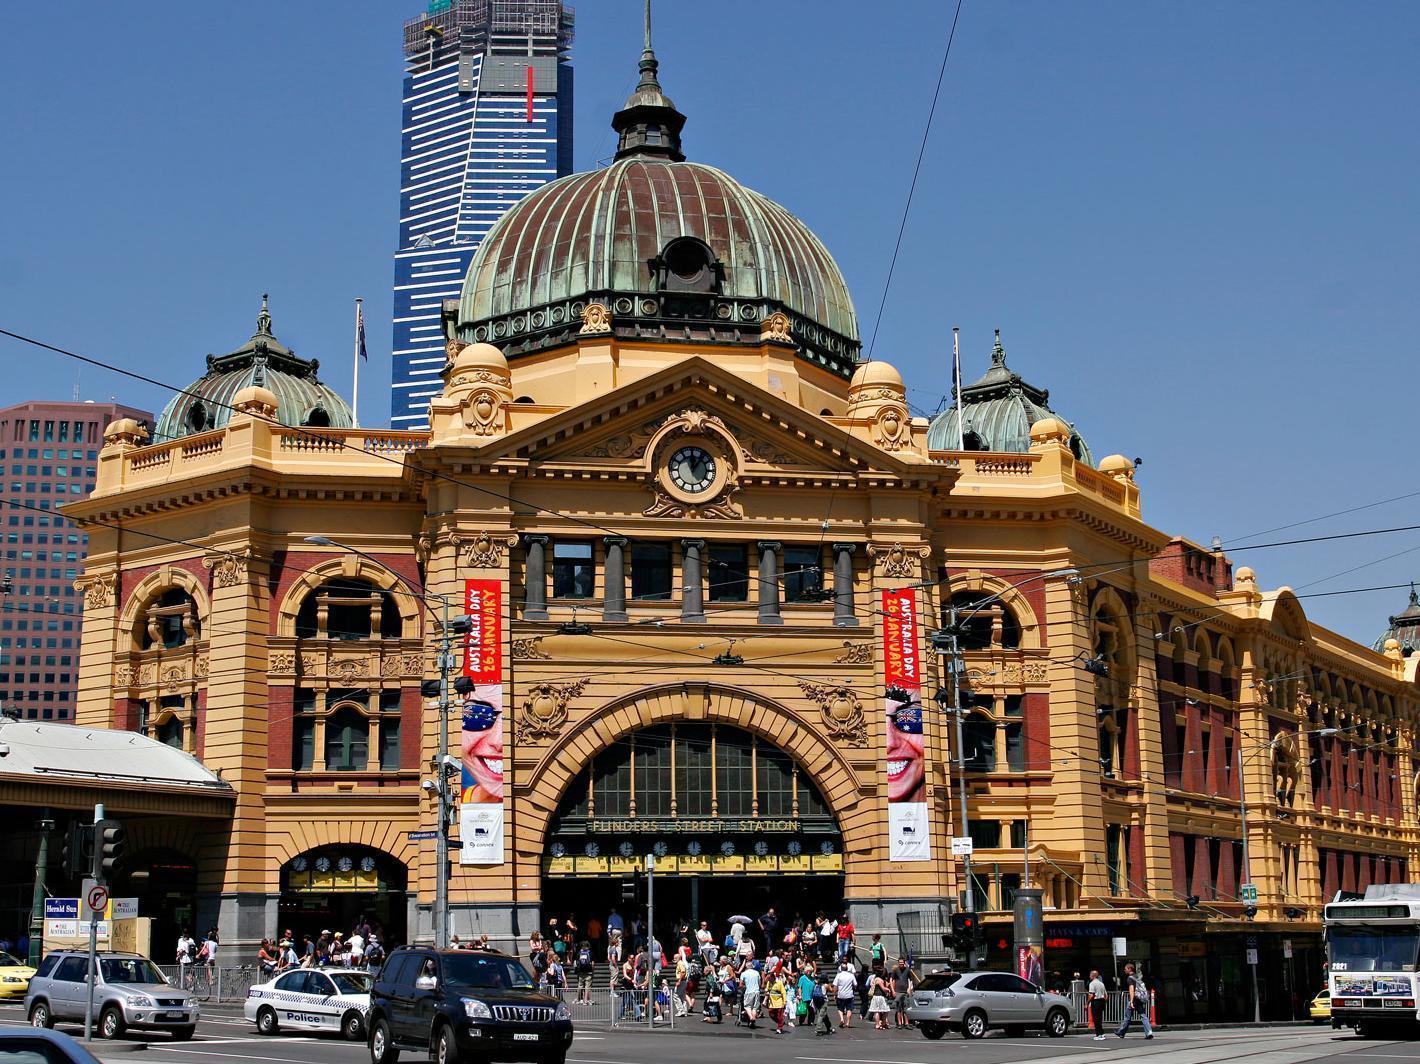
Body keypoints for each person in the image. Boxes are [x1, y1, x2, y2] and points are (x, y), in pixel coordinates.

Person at [1115, 963, 1153, 1040]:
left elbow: (1131, 990)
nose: (1124, 970)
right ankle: (1149, 1032)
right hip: (1140, 999)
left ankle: (1121, 1032)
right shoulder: (1137, 977)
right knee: (1143, 1016)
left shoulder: (1130, 978)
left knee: (1127, 1017)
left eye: (1125, 969)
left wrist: (1131, 1001)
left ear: (1129, 969)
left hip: (1134, 999)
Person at [891, 957, 916, 1029]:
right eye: (900, 963)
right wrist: (892, 990)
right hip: (898, 991)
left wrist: (909, 988)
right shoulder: (895, 970)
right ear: (898, 963)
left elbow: (911, 980)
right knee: (898, 1008)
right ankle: (899, 1023)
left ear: (904, 963)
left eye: (902, 963)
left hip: (905, 991)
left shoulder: (908, 970)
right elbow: (891, 979)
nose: (901, 964)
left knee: (905, 1008)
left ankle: (906, 1023)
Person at [832, 962, 857, 1028]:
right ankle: (848, 1022)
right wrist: (853, 988)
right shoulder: (851, 975)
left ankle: (842, 1019)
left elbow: (835, 985)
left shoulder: (838, 975)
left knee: (840, 1008)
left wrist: (834, 994)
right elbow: (855, 984)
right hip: (849, 994)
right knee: (849, 1009)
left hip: (841, 994)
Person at [740, 961, 761, 1028]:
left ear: (746, 967)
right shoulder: (757, 973)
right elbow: (759, 983)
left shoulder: (744, 973)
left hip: (748, 992)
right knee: (755, 1007)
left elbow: (741, 984)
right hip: (756, 991)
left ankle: (751, 1017)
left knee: (747, 1006)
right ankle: (753, 1018)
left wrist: (744, 987)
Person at [1088, 969, 1108, 1040]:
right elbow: (1106, 995)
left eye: (1090, 975)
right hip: (1102, 1001)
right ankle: (1102, 1033)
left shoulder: (1092, 984)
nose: (1089, 976)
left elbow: (1092, 995)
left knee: (1096, 1018)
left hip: (1096, 1001)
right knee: (1099, 1018)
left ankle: (1098, 1034)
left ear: (1093, 976)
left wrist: (1087, 1003)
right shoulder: (1101, 983)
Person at [574, 940, 595, 1005]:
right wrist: (592, 970)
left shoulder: (579, 953)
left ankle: (578, 999)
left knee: (580, 985)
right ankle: (585, 1000)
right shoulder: (590, 952)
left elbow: (576, 962)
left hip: (580, 972)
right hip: (588, 972)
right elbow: (592, 963)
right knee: (587, 986)